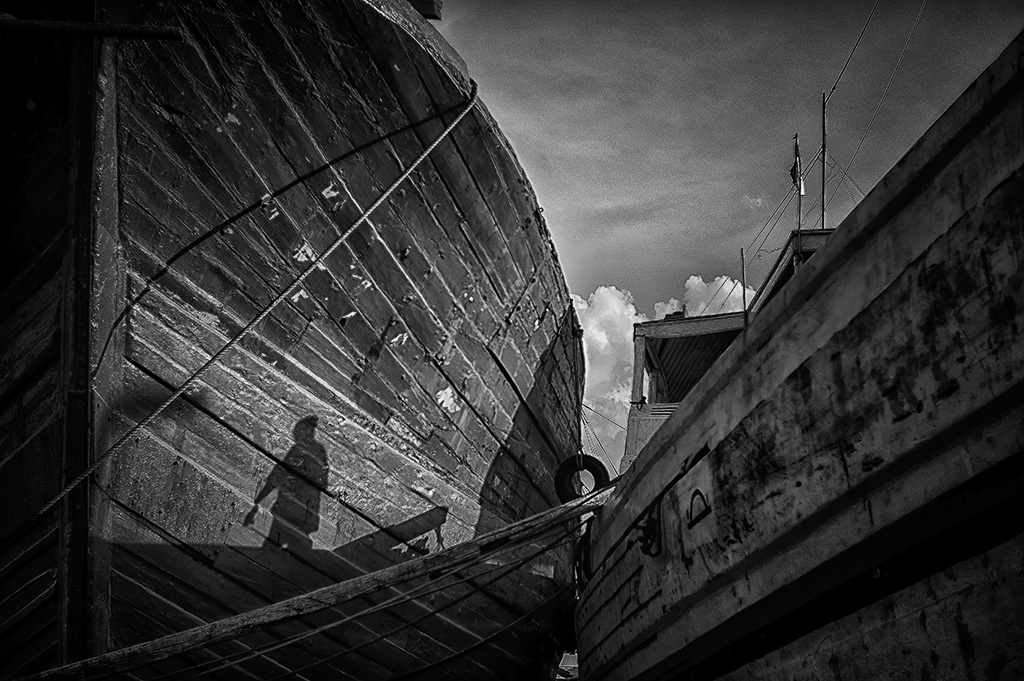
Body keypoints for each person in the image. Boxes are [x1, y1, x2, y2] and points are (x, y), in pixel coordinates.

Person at [243, 415, 327, 552]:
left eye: (302, 432)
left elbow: (279, 474)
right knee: (282, 542)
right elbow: (279, 473)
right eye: (298, 432)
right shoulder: (304, 450)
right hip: (293, 506)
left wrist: (258, 501)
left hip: (296, 508)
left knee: (285, 543)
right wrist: (258, 501)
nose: (299, 435)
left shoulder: (309, 451)